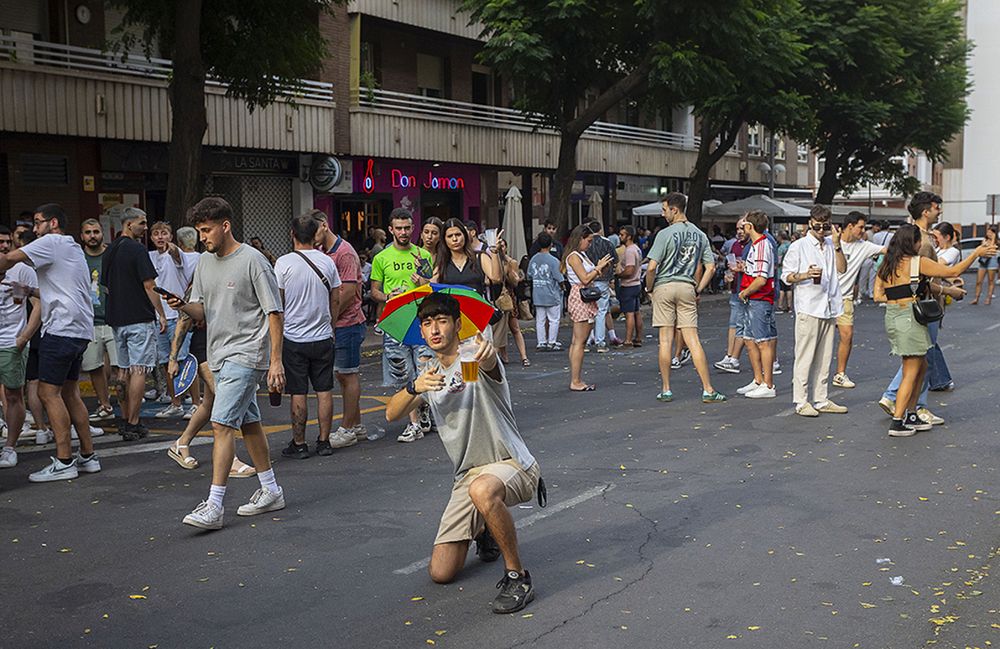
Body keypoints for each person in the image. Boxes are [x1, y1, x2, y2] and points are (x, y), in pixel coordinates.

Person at [385, 292, 542, 614]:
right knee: (440, 572)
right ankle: (485, 530)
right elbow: (391, 414)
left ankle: (518, 577)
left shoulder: (474, 355)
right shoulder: (429, 373)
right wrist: (415, 386)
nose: (434, 329)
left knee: (482, 489)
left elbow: (488, 364)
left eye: (442, 320)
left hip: (511, 463)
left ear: (458, 324)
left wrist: (486, 354)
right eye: (427, 323)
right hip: (468, 475)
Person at [170, 197, 286, 530]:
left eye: (206, 230)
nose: (201, 237)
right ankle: (271, 490)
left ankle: (215, 506)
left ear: (225, 226)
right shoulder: (204, 263)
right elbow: (201, 311)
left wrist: (275, 361)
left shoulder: (253, 260)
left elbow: (274, 312)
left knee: (221, 425)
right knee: (249, 424)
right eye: (198, 230)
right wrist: (181, 305)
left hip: (247, 355)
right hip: (218, 355)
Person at [0, 204, 99, 481]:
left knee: (47, 393)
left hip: (62, 328)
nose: (34, 229)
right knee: (70, 393)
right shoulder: (71, 246)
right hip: (79, 329)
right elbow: (62, 287)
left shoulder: (51, 241)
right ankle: (88, 457)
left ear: (52, 223)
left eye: (37, 222)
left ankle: (64, 461)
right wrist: (29, 290)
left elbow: (9, 260)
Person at [874, 224, 993, 435]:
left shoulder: (886, 264)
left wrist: (902, 298)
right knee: (911, 370)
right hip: (910, 319)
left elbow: (878, 295)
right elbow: (954, 270)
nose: (921, 244)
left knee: (921, 365)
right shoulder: (917, 262)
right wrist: (976, 252)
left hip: (894, 317)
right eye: (919, 240)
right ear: (913, 243)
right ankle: (898, 421)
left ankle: (911, 414)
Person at [274, 215, 349, 459]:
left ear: (292, 234)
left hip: (294, 338)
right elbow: (336, 298)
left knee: (298, 391)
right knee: (324, 389)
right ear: (316, 234)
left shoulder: (283, 263)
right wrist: (331, 324)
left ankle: (299, 443)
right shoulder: (327, 262)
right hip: (323, 336)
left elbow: (279, 302)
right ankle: (324, 441)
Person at [877, 192, 954, 426]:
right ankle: (908, 408)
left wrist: (948, 291)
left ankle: (906, 406)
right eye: (936, 208)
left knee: (920, 360)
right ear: (925, 211)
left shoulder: (915, 237)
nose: (939, 211)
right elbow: (924, 277)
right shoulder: (919, 240)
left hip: (911, 308)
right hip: (919, 310)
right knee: (917, 361)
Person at [165, 288, 256, 477]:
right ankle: (229, 459)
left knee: (209, 404)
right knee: (226, 402)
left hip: (229, 345)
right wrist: (173, 358)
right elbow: (183, 320)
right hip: (205, 347)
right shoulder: (201, 281)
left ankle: (181, 443)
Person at [645, 193, 725, 404]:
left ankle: (666, 389)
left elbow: (652, 267)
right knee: (693, 340)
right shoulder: (700, 235)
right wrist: (698, 289)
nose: (663, 215)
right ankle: (708, 389)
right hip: (687, 286)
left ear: (675, 209)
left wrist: (649, 288)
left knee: (665, 340)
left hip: (664, 286)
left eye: (664, 210)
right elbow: (710, 267)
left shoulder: (664, 234)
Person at [102, 207, 167, 441]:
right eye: (142, 223)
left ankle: (124, 419)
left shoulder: (109, 250)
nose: (146, 227)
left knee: (124, 370)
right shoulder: (139, 250)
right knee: (139, 370)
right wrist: (160, 313)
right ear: (128, 224)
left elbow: (105, 286)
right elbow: (150, 285)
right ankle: (133, 421)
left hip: (117, 319)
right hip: (139, 317)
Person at [371, 208, 435, 443]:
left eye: (407, 227)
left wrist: (423, 282)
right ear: (391, 230)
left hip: (422, 322)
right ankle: (414, 423)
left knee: (425, 371)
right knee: (404, 375)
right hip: (395, 324)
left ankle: (424, 409)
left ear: (412, 228)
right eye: (398, 228)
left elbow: (431, 287)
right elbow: (373, 292)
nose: (403, 232)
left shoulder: (422, 255)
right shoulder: (382, 258)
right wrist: (388, 296)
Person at [780, 205, 848, 417]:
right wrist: (806, 275)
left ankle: (821, 398)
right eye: (817, 226)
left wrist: (837, 245)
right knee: (805, 356)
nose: (821, 230)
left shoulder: (830, 244)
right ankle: (801, 401)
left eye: (825, 226)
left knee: (825, 357)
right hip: (809, 307)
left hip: (829, 306)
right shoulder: (799, 246)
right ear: (810, 223)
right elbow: (787, 276)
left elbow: (842, 268)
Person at [313, 211, 369, 442]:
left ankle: (347, 429)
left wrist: (330, 318)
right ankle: (356, 425)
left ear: (324, 226)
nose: (311, 237)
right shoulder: (320, 251)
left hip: (348, 322)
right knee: (341, 374)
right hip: (336, 322)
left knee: (348, 374)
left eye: (314, 231)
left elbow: (347, 293)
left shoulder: (344, 253)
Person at [149, 221, 200, 417]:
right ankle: (176, 403)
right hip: (159, 317)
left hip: (178, 315)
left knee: (184, 359)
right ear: (151, 237)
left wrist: (172, 249)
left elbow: (177, 256)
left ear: (171, 237)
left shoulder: (179, 256)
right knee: (165, 361)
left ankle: (195, 403)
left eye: (164, 233)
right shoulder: (150, 257)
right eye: (156, 233)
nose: (160, 237)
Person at [0, 225, 41, 469]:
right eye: (0, 242)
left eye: (8, 242)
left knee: (13, 396)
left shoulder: (22, 270)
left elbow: (38, 304)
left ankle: (9, 447)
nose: (5, 246)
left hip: (11, 343)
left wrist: (24, 338)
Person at [832, 212, 886, 389]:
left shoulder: (864, 246)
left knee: (847, 336)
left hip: (845, 297)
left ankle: (840, 374)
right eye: (861, 227)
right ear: (849, 226)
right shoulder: (831, 241)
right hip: (825, 297)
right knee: (817, 338)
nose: (864, 231)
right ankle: (806, 373)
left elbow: (887, 250)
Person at [562, 225, 612, 391]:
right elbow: (584, 278)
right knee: (579, 342)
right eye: (588, 241)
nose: (590, 244)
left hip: (584, 294)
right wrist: (598, 268)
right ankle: (575, 380)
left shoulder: (580, 255)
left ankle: (575, 378)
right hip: (581, 295)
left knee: (578, 341)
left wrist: (601, 269)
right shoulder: (574, 257)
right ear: (580, 239)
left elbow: (590, 275)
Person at [736, 211, 778, 398]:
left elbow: (761, 278)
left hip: (758, 298)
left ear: (750, 227)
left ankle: (767, 384)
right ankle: (758, 379)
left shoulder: (761, 245)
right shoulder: (757, 245)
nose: (742, 227)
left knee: (762, 341)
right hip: (754, 298)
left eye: (744, 224)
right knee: (750, 339)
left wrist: (745, 292)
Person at [79, 219, 118, 423]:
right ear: (82, 236)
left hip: (113, 319)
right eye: (88, 232)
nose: (92, 235)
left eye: (96, 231)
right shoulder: (78, 258)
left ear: (103, 233)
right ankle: (105, 405)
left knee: (121, 366)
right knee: (93, 366)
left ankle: (127, 407)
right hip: (89, 321)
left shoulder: (112, 254)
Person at [929, 222, 961, 392]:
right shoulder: (934, 248)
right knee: (929, 340)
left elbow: (937, 265)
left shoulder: (952, 251)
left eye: (936, 236)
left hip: (937, 297)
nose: (933, 239)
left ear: (947, 237)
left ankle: (941, 379)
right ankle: (940, 380)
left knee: (929, 341)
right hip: (929, 294)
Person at [715, 219, 750, 373]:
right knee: (734, 324)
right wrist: (729, 275)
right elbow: (731, 265)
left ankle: (771, 362)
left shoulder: (754, 246)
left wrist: (743, 269)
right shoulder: (735, 244)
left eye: (742, 228)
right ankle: (730, 357)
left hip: (749, 291)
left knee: (747, 326)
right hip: (737, 290)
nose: (739, 231)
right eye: (737, 229)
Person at [584, 220, 619, 352]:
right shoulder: (608, 243)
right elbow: (615, 261)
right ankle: (600, 343)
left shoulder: (587, 244)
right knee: (601, 311)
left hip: (588, 279)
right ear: (600, 230)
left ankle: (587, 341)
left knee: (588, 312)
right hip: (604, 280)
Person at [526, 232, 564, 351]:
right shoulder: (553, 260)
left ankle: (541, 342)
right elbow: (559, 278)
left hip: (538, 293)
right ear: (551, 245)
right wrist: (562, 286)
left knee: (540, 319)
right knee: (554, 319)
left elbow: (529, 275)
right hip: (551, 293)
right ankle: (551, 342)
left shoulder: (533, 259)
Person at [495, 238, 529, 366]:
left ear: (507, 248)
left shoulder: (510, 262)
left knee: (514, 327)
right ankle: (504, 356)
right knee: (501, 329)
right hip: (497, 296)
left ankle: (524, 356)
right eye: (499, 246)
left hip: (508, 296)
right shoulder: (490, 260)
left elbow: (514, 281)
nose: (501, 248)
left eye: (503, 246)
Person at [616, 225, 643, 348]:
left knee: (629, 313)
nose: (620, 236)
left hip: (629, 285)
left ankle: (628, 341)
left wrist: (618, 275)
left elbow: (629, 270)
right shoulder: (636, 248)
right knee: (636, 312)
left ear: (629, 236)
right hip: (636, 284)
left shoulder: (630, 251)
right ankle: (637, 338)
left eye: (622, 234)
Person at [970, 225, 998, 305]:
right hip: (983, 260)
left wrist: (993, 239)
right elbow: (985, 248)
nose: (989, 233)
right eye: (988, 232)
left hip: (992, 259)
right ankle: (976, 298)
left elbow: (992, 248)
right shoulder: (984, 240)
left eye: (991, 232)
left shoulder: (996, 241)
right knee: (979, 281)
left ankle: (988, 298)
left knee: (991, 281)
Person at [776, 231, 793, 313]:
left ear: (780, 237)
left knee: (781, 288)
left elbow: (779, 262)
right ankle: (789, 306)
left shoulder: (781, 248)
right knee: (788, 288)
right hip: (791, 270)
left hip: (781, 271)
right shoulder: (791, 245)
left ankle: (780, 306)